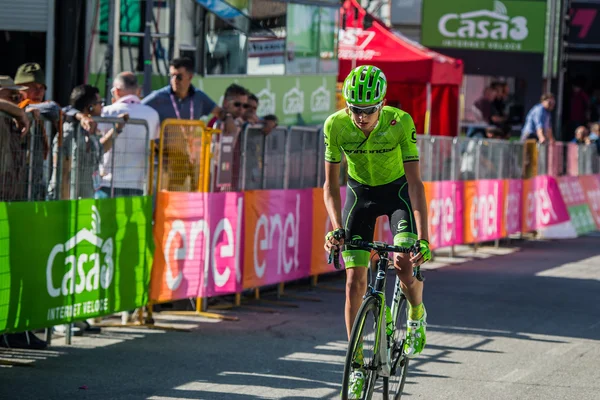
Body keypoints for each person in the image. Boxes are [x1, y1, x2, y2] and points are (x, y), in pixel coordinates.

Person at [322, 65, 431, 399]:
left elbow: (414, 183)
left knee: (403, 263)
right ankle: (355, 366)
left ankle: (415, 314)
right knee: (354, 282)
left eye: (368, 110)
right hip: (361, 196)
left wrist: (423, 235)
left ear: (381, 105)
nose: (360, 116)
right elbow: (331, 185)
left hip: (397, 193)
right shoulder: (335, 124)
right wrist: (337, 228)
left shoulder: (401, 122)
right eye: (354, 108)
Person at [96, 72, 160, 198]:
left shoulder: (107, 112)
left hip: (108, 182)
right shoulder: (152, 114)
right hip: (139, 183)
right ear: (138, 90)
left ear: (117, 91)